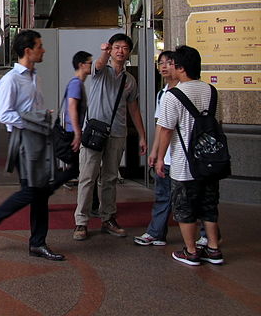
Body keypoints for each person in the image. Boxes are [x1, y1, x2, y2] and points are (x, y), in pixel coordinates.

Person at [0, 30, 64, 261]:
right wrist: (35, 119)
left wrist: (39, 115)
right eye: (40, 46)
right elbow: (5, 115)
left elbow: (28, 109)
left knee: (41, 192)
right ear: (28, 51)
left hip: (37, 139)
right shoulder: (11, 79)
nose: (43, 49)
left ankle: (37, 242)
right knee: (33, 190)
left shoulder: (34, 76)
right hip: (22, 142)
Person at [155, 45, 224, 266]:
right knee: (209, 205)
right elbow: (217, 124)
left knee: (184, 207)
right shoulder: (211, 91)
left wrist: (159, 158)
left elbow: (166, 130)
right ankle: (213, 249)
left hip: (184, 164)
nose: (169, 67)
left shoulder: (173, 95)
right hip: (210, 161)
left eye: (172, 64)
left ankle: (191, 251)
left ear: (181, 68)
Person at [73, 33, 147, 241]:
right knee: (87, 176)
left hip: (117, 133)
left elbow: (134, 109)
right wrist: (103, 52)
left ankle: (108, 218)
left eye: (124, 48)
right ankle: (81, 221)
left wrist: (142, 136)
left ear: (129, 52)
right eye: (116, 47)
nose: (120, 51)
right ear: (111, 50)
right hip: (95, 132)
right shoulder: (100, 71)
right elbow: (98, 63)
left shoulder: (130, 80)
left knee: (110, 178)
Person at [134, 51, 177, 246]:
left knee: (191, 197)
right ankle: (157, 233)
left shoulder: (185, 90)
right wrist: (155, 152)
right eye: (161, 63)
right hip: (166, 156)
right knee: (162, 196)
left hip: (183, 157)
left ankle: (206, 235)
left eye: (169, 62)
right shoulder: (162, 94)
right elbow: (161, 125)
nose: (164, 66)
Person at [55, 51, 92, 190]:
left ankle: (93, 203)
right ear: (81, 65)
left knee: (82, 168)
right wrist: (77, 133)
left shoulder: (77, 83)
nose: (91, 66)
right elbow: (72, 107)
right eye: (89, 63)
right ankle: (49, 188)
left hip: (73, 131)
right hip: (72, 133)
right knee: (83, 168)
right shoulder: (76, 84)